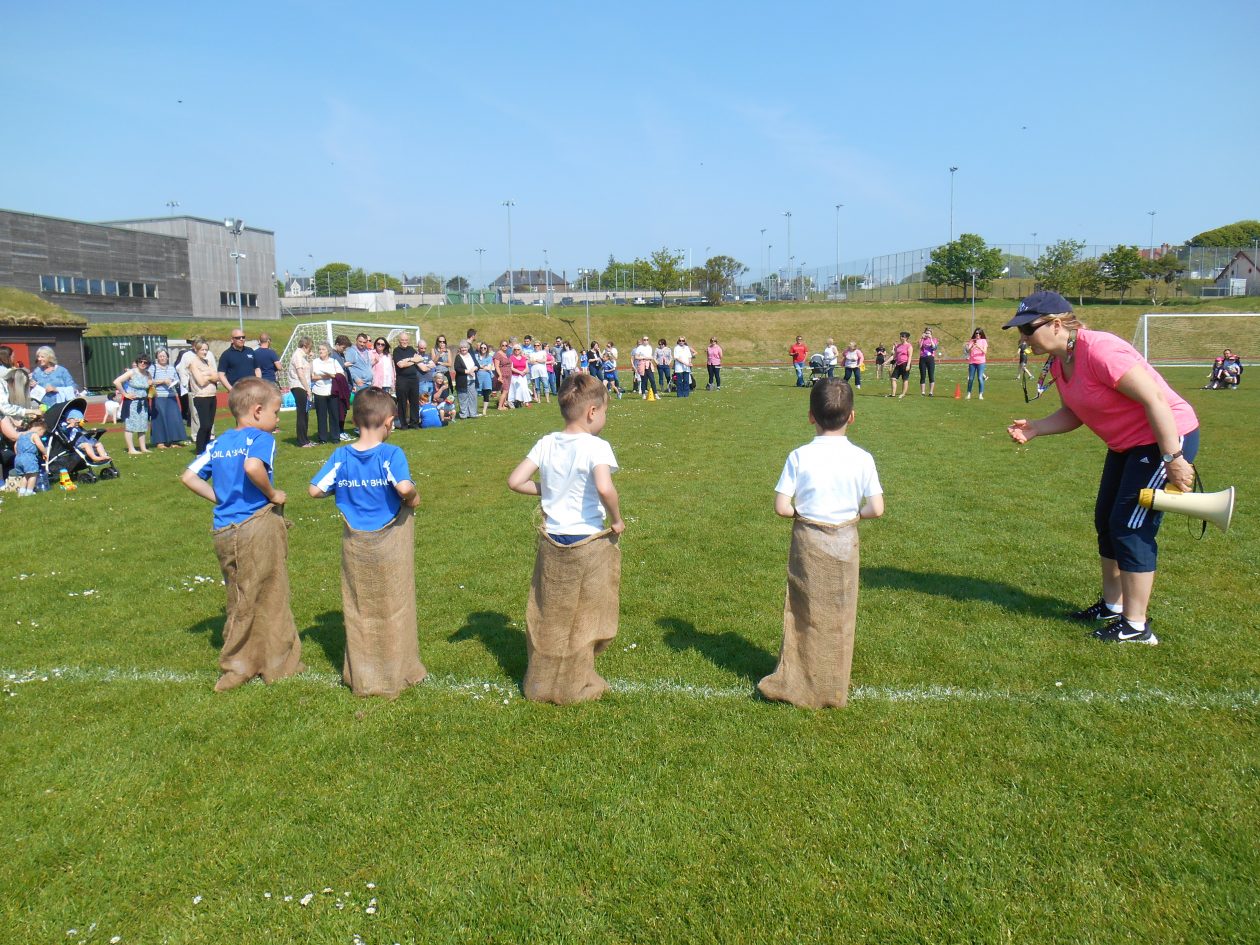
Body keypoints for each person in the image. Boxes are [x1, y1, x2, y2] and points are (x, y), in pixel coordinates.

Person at [1005, 291, 1199, 646]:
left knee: (1129, 526)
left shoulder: (1101, 350)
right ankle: (1113, 606)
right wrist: (1037, 427)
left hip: (1164, 439)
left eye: (1028, 329)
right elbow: (1077, 411)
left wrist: (1173, 458)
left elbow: (1154, 399)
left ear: (1057, 324)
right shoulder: (1062, 360)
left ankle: (1136, 626)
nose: (1024, 337)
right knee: (1106, 522)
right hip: (1126, 444)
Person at [760, 378, 884, 708]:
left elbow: (781, 507)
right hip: (845, 543)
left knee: (804, 611)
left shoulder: (800, 456)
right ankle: (833, 685)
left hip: (809, 543)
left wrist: (802, 511)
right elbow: (877, 508)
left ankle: (800, 679)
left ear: (810, 416)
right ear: (852, 417)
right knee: (841, 613)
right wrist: (854, 515)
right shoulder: (863, 458)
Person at [507, 374, 625, 705]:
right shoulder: (596, 446)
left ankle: (542, 680)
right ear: (592, 412)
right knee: (584, 614)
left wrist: (548, 490)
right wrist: (616, 519)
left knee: (552, 613)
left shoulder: (547, 442)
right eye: (604, 412)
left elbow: (515, 481)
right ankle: (574, 681)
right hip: (587, 540)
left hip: (552, 540)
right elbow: (604, 487)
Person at [180, 379, 305, 691]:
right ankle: (279, 665)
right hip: (257, 525)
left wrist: (221, 499)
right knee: (271, 593)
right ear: (258, 410)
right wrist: (272, 493)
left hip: (224, 530)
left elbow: (189, 477)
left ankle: (237, 665)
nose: (278, 419)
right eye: (276, 412)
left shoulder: (219, 442)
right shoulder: (259, 439)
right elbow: (252, 467)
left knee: (238, 596)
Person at [308, 387, 426, 699]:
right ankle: (395, 670)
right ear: (388, 422)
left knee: (361, 606)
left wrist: (343, 488)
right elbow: (402, 486)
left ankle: (364, 672)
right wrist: (414, 496)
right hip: (388, 545)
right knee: (393, 604)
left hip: (355, 546)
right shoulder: (391, 454)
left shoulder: (341, 455)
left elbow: (315, 490)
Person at [148, 348, 188, 448]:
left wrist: (174, 382)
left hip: (171, 395)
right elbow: (149, 381)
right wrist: (163, 381)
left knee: (174, 418)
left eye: (164, 356)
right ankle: (160, 442)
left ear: (167, 357)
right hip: (158, 396)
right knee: (159, 419)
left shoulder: (171, 368)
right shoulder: (153, 368)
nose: (162, 358)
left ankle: (174, 441)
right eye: (160, 356)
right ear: (157, 357)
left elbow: (177, 379)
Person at [114, 355, 152, 454]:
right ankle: (131, 449)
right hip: (132, 402)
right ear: (138, 362)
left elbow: (149, 386)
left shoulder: (148, 374)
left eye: (145, 362)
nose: (143, 364)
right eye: (141, 362)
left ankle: (143, 448)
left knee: (143, 425)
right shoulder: (131, 372)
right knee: (130, 426)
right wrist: (125, 394)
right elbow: (117, 382)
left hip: (143, 403)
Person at [310, 343, 341, 445]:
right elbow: (312, 377)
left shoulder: (333, 361)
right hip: (319, 391)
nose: (321, 351)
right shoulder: (315, 362)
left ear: (328, 351)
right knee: (321, 415)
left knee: (334, 415)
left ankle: (335, 437)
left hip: (332, 391)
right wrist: (323, 377)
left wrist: (331, 375)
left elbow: (340, 375)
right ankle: (322, 438)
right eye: (319, 349)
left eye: (323, 349)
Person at [391, 331, 422, 428]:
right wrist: (412, 360)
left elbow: (419, 359)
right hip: (402, 380)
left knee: (414, 402)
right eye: (402, 340)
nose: (404, 341)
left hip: (413, 379)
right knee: (402, 402)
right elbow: (400, 365)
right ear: (399, 341)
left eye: (406, 340)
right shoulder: (396, 351)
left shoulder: (412, 349)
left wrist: (407, 361)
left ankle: (414, 423)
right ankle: (403, 424)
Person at [287, 337, 314, 448]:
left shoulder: (303, 357)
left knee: (305, 413)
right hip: (298, 386)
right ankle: (302, 441)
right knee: (302, 414)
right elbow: (300, 374)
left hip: (303, 386)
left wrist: (311, 359)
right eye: (310, 347)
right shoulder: (297, 355)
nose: (310, 349)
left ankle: (305, 439)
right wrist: (307, 389)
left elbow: (310, 372)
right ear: (305, 346)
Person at [12, 415, 48, 496]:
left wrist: (18, 455)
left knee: (25, 475)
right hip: (29, 457)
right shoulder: (34, 435)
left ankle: (21, 491)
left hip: (18, 457)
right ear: (40, 429)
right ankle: (29, 491)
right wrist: (45, 453)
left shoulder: (21, 434)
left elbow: (15, 446)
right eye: (42, 433)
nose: (41, 435)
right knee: (33, 474)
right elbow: (40, 445)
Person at [453, 340, 479, 420]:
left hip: (472, 380)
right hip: (462, 380)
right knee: (463, 397)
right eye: (462, 347)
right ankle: (463, 415)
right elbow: (457, 368)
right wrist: (468, 372)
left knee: (473, 397)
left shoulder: (471, 355)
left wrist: (474, 368)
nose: (464, 349)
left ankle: (473, 414)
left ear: (468, 348)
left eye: (465, 347)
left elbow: (477, 364)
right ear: (460, 349)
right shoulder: (458, 357)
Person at [964, 328, 988, 400]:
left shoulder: (984, 341)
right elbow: (968, 351)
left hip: (981, 362)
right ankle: (969, 393)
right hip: (972, 362)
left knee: (980, 378)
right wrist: (972, 346)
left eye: (979, 333)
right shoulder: (972, 341)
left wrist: (979, 346)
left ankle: (980, 394)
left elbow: (985, 352)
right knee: (971, 379)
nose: (977, 335)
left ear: (981, 334)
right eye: (976, 333)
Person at [888, 331, 912, 399]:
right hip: (898, 364)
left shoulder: (909, 346)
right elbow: (894, 356)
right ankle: (893, 394)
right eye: (900, 336)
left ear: (906, 338)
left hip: (905, 363)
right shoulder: (898, 346)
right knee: (893, 378)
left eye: (902, 336)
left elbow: (910, 356)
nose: (901, 337)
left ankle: (903, 394)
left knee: (905, 379)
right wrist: (886, 362)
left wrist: (908, 365)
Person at [917, 328, 939, 396]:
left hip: (930, 359)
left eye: (929, 333)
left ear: (931, 334)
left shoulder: (934, 339)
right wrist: (922, 338)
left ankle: (931, 392)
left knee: (931, 375)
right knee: (923, 375)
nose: (927, 334)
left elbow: (934, 347)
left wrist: (931, 339)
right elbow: (919, 347)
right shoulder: (921, 339)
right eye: (926, 333)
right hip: (923, 358)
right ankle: (923, 392)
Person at [494, 340, 513, 411]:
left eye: (506, 345)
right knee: (505, 390)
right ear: (500, 346)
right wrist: (500, 375)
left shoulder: (506, 354)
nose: (505, 347)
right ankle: (499, 406)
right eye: (503, 345)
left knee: (504, 391)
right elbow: (497, 366)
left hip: (508, 374)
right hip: (502, 374)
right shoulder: (498, 354)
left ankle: (503, 405)